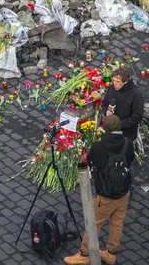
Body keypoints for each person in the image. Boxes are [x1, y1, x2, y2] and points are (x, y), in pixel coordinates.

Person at [63, 115, 135, 265]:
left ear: (105, 128)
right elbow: (130, 160)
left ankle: (83, 254)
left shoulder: (98, 146)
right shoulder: (128, 143)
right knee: (117, 223)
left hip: (105, 195)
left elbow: (90, 163)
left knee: (94, 223)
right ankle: (110, 253)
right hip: (124, 192)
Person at [102, 68, 144, 141]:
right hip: (111, 131)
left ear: (125, 81)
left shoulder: (135, 94)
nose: (115, 84)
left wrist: (117, 124)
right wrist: (106, 112)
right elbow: (105, 104)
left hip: (126, 134)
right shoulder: (111, 88)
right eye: (113, 80)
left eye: (118, 81)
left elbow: (137, 117)